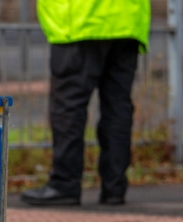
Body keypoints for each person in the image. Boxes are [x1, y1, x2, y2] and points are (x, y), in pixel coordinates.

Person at [22, 0, 150, 206]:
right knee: (118, 107)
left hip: (80, 19)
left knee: (68, 107)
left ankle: (65, 183)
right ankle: (115, 187)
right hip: (128, 20)